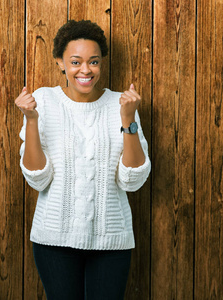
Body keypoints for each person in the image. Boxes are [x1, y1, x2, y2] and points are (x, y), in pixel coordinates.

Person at [15, 20, 151, 299]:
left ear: (101, 64)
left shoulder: (122, 105)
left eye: (94, 61)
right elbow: (37, 177)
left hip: (111, 241)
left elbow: (133, 180)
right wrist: (31, 120)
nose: (85, 70)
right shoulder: (44, 101)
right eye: (75, 61)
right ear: (60, 63)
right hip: (54, 241)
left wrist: (128, 120)